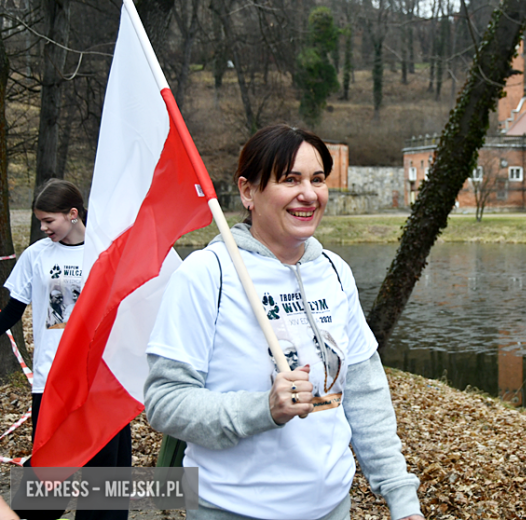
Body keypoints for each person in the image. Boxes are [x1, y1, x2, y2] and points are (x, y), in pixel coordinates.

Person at [144, 124, 425, 520]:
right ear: (248, 192)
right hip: (230, 508)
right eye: (289, 179)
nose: (308, 194)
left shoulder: (334, 272)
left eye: (317, 179)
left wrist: (401, 496)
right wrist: (263, 409)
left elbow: (364, 392)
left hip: (330, 508)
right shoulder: (207, 274)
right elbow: (165, 402)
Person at [0, 179, 131, 520]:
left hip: (101, 380)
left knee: (104, 480)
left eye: (48, 221)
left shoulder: (107, 252)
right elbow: (13, 312)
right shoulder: (36, 255)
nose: (43, 228)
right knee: (46, 475)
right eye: (40, 221)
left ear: (73, 214)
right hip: (52, 379)